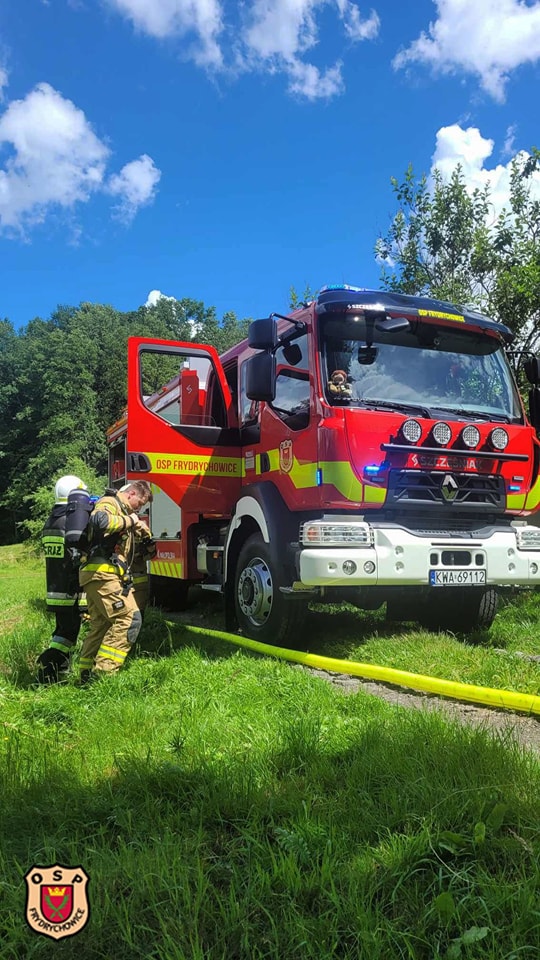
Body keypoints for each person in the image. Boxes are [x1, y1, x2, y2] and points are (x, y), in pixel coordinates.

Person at [77, 480, 153, 682]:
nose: (139, 508)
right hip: (101, 573)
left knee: (101, 624)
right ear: (131, 494)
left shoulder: (123, 512)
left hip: (97, 574)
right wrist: (131, 520)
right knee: (129, 618)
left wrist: (141, 530)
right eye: (140, 503)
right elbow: (100, 521)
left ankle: (86, 674)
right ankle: (104, 674)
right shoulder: (110, 502)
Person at [36, 475, 88, 684]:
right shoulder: (71, 522)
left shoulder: (51, 521)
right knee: (67, 635)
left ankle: (59, 672)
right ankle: (47, 664)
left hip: (55, 589)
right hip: (70, 589)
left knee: (63, 631)